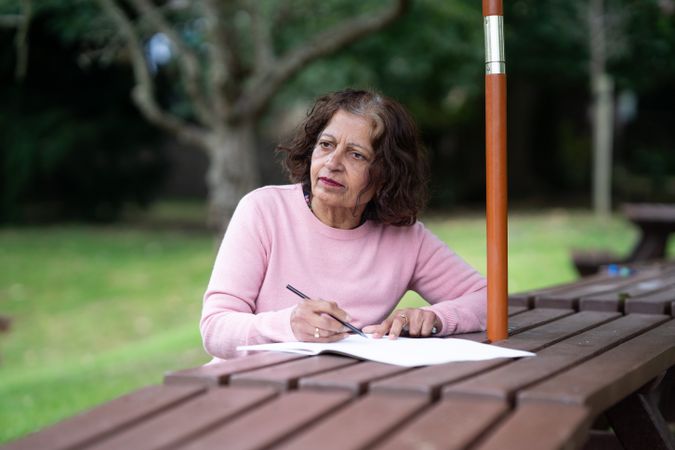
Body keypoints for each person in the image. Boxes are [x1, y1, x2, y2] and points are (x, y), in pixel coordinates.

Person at [200, 88, 487, 361]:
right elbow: (215, 328)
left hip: (344, 393)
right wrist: (287, 326)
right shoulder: (264, 210)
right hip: (245, 393)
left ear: (386, 174)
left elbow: (488, 299)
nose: (332, 163)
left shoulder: (406, 238)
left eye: (356, 154)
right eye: (326, 145)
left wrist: (436, 318)